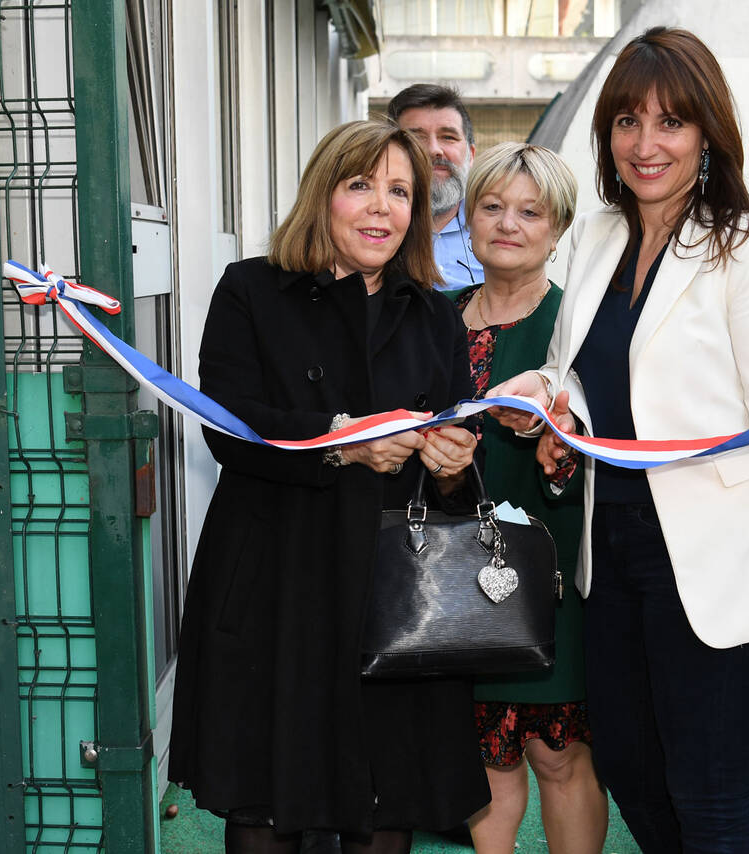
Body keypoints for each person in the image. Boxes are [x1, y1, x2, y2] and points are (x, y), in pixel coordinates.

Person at [488, 28, 749, 853]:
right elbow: (575, 367)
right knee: (630, 770)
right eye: (627, 121)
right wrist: (549, 399)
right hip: (607, 552)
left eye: (671, 122)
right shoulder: (598, 236)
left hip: (710, 567)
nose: (646, 145)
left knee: (709, 797)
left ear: (707, 132)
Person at [168, 119, 488, 854]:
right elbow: (228, 428)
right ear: (323, 194)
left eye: (400, 192)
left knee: (387, 803)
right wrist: (343, 443)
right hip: (277, 585)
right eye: (360, 185)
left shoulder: (435, 315)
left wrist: (452, 466)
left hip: (395, 596)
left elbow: (462, 466)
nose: (381, 208)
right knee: (264, 802)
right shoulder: (250, 289)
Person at [447, 142, 608, 853]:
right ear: (467, 217)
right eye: (491, 206)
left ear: (559, 227)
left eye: (530, 212)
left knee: (557, 754)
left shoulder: (581, 327)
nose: (508, 224)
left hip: (550, 571)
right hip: (447, 576)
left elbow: (605, 444)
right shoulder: (431, 318)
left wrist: (563, 452)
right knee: (486, 755)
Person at [388, 83, 486, 290]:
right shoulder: (371, 226)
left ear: (471, 155)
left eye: (448, 137)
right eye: (416, 138)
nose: (434, 150)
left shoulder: (498, 228)